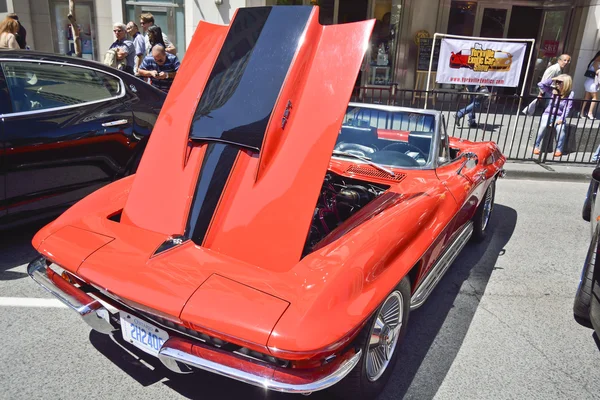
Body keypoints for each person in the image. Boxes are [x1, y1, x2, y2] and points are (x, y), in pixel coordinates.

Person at [533, 74, 574, 157]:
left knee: (561, 129)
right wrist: (553, 79)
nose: (557, 83)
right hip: (548, 113)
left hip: (560, 116)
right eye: (557, 82)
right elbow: (540, 84)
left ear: (566, 83)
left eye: (560, 82)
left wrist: (562, 119)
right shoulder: (553, 90)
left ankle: (559, 149)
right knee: (543, 126)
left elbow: (567, 108)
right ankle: (536, 146)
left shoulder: (570, 93)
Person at [581, 51, 600, 120]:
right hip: (592, 82)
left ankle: (582, 112)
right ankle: (590, 112)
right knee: (594, 98)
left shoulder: (593, 62)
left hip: (589, 81)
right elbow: (597, 72)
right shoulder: (596, 62)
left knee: (587, 97)